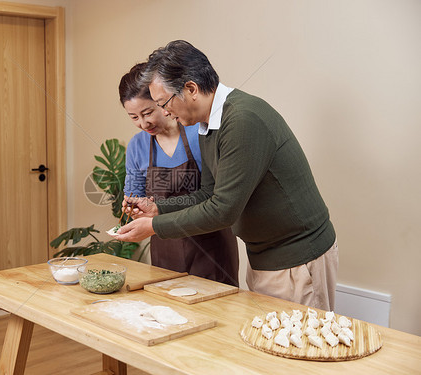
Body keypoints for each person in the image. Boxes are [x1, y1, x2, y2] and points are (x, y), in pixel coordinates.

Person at [115, 41, 338, 310]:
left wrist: (153, 227)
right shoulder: (208, 125)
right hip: (265, 257)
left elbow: (223, 210)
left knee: (295, 348)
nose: (164, 113)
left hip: (297, 258)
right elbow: (208, 193)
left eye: (163, 103)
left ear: (191, 89)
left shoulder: (242, 120)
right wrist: (157, 208)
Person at [118, 62, 239, 286]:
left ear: (162, 102)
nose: (143, 123)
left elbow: (217, 195)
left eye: (147, 113)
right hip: (165, 250)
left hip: (211, 247)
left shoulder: (198, 131)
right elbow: (134, 194)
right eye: (134, 117)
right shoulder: (138, 146)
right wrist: (133, 206)